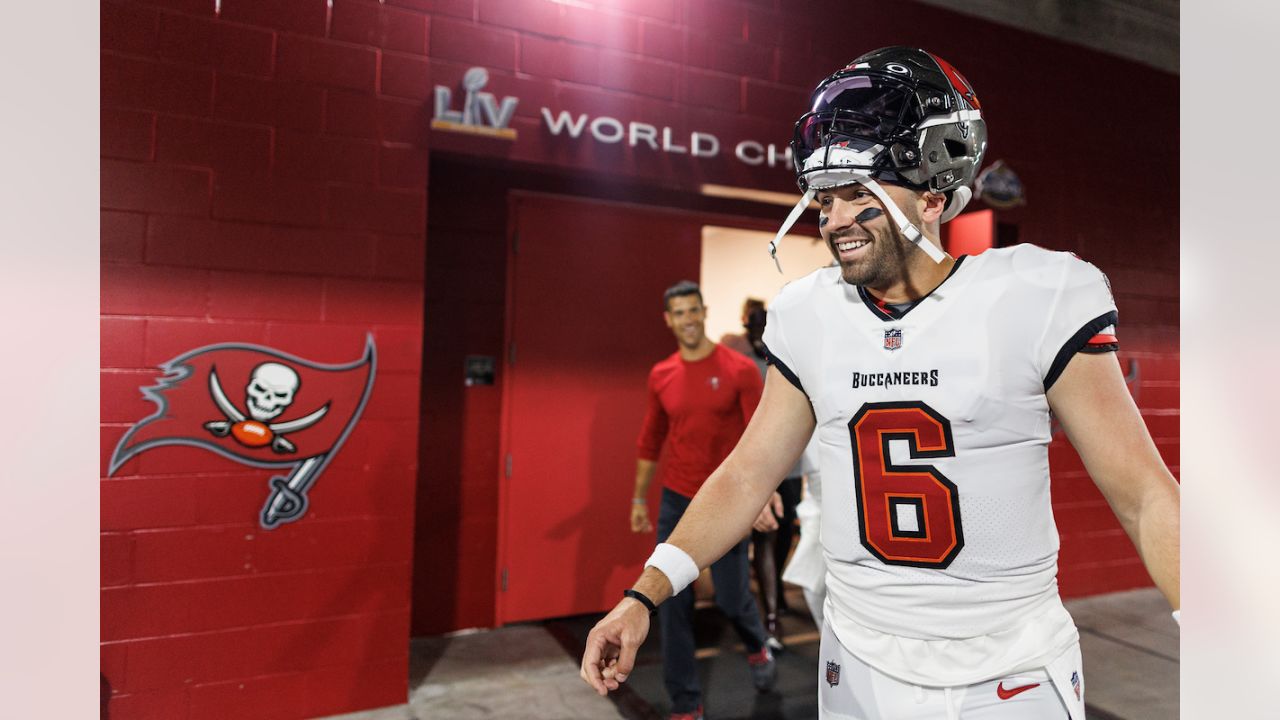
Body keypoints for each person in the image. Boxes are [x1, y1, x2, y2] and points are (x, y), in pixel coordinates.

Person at [583, 46, 1180, 720]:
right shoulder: (810, 314)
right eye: (826, 199)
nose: (834, 219)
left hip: (1006, 668)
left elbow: (1144, 497)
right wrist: (645, 594)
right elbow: (747, 474)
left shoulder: (1035, 296)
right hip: (858, 661)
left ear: (932, 191)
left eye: (858, 195)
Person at [629, 280, 778, 720]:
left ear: (704, 311)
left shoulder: (739, 369)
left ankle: (756, 645)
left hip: (728, 501)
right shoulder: (662, 374)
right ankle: (685, 702)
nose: (688, 319)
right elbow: (650, 438)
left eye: (694, 310)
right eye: (679, 313)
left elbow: (761, 439)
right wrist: (639, 500)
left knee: (733, 599)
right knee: (673, 606)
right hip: (677, 501)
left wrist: (763, 498)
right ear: (668, 320)